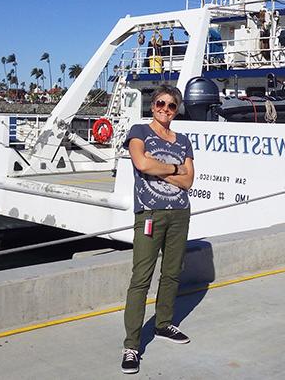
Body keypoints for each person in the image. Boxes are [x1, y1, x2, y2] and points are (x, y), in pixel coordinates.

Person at [120, 85, 195, 375]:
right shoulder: (139, 131)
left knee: (172, 272)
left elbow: (189, 183)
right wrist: (176, 169)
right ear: (153, 106)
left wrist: (160, 167)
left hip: (179, 213)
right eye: (161, 103)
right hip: (150, 213)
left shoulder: (183, 139)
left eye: (172, 105)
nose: (165, 108)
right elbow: (141, 163)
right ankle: (131, 345)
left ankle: (163, 324)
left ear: (176, 110)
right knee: (141, 278)